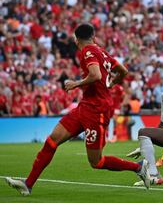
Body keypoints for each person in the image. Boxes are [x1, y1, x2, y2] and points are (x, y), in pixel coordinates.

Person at [5, 23, 150, 196]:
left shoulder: (87, 52)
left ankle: (138, 167)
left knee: (95, 161)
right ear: (93, 36)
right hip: (85, 106)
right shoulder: (102, 51)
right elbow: (123, 71)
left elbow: (95, 75)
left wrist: (76, 84)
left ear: (76, 38)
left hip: (97, 110)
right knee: (52, 140)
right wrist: (110, 83)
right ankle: (28, 184)